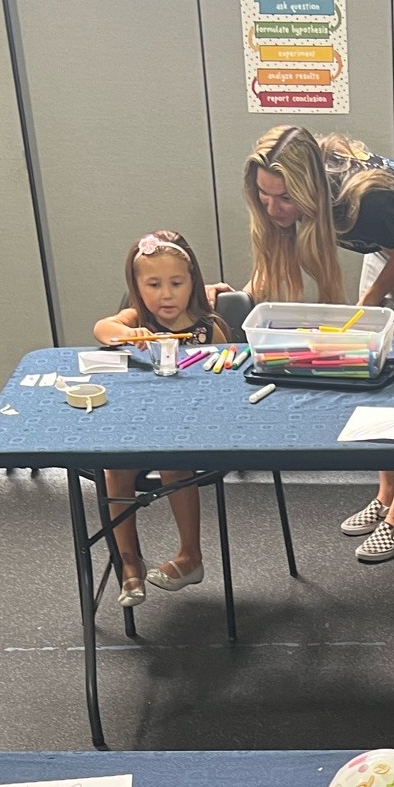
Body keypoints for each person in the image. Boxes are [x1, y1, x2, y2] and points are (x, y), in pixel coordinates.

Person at [244, 125, 394, 563]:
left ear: (309, 189)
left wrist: (364, 310)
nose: (273, 209)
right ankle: (385, 496)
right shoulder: (299, 200)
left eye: (284, 198)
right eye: (264, 196)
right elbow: (275, 264)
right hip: (390, 246)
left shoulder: (362, 203)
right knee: (375, 369)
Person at [93, 231, 228, 606]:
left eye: (176, 283)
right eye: (153, 284)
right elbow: (102, 328)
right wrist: (126, 333)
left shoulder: (207, 328)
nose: (165, 295)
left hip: (191, 428)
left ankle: (190, 557)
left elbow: (224, 379)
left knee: (173, 464)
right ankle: (129, 564)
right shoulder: (138, 319)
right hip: (139, 426)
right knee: (114, 468)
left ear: (192, 284)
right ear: (137, 287)